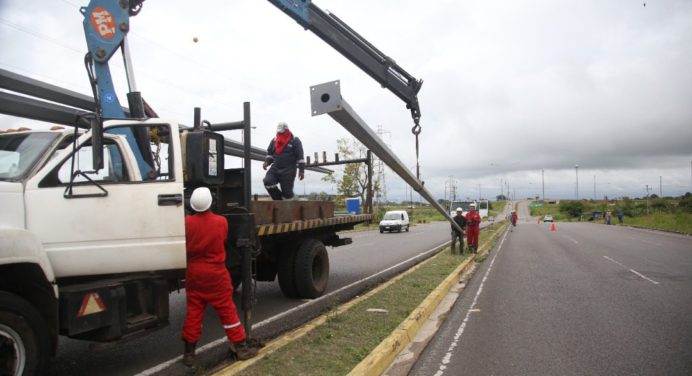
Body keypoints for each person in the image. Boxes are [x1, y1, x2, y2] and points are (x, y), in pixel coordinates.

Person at [182, 187, 257, 366]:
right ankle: (241, 347)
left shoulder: (186, 222)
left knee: (194, 312)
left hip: (194, 273)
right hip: (216, 274)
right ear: (211, 202)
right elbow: (223, 239)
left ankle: (189, 354)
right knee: (227, 310)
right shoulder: (221, 221)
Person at [263, 122, 305, 200]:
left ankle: (291, 200)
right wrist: (267, 162)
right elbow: (270, 154)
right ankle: (279, 200)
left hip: (289, 170)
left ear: (286, 130)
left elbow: (300, 156)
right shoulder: (274, 140)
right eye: (279, 132)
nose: (280, 134)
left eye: (282, 132)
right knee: (267, 181)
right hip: (275, 168)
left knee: (287, 195)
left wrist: (301, 170)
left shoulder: (295, 140)